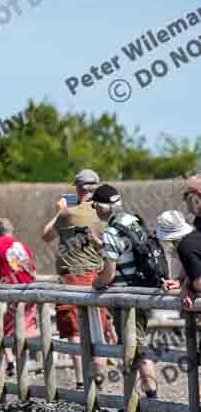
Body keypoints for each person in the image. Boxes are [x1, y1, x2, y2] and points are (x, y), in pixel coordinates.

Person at [42, 168, 108, 389]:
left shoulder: (67, 214)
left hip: (71, 278)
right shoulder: (104, 214)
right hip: (98, 276)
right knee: (98, 330)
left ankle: (81, 381)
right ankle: (99, 377)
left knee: (75, 331)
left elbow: (46, 235)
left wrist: (59, 211)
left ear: (79, 189)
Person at [91, 184, 157, 398]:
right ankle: (144, 396)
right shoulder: (131, 221)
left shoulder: (111, 232)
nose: (94, 210)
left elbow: (109, 274)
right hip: (142, 289)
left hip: (124, 296)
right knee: (139, 342)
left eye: (94, 205)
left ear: (102, 207)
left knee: (133, 347)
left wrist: (95, 284)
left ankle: (145, 397)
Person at [0, 218, 37, 377]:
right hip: (28, 290)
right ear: (12, 231)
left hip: (10, 289)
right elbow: (32, 270)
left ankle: (11, 361)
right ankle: (20, 362)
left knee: (3, 328)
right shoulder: (21, 245)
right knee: (24, 327)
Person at [156, 211, 194, 290]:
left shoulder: (190, 246)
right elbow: (189, 266)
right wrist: (179, 281)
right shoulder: (184, 247)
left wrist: (186, 288)